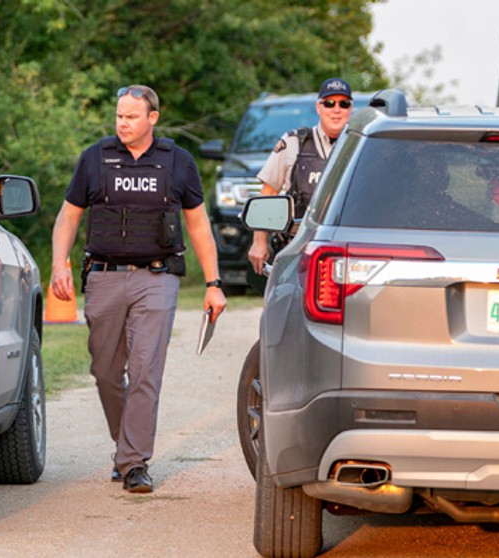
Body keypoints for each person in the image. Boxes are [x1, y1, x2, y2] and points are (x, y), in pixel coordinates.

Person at [50, 84, 227, 494]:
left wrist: (213, 283)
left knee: (146, 371)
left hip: (157, 278)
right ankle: (125, 447)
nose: (122, 123)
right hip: (105, 277)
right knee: (106, 372)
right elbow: (69, 215)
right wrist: (58, 263)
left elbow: (198, 225)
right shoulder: (94, 159)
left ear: (152, 118)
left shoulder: (178, 163)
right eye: (119, 115)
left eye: (131, 116)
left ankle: (134, 464)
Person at [247, 77, 353, 275]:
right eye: (329, 103)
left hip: (346, 251)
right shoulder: (294, 142)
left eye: (343, 103)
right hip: (295, 250)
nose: (336, 109)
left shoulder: (359, 146)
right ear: (318, 107)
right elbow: (269, 192)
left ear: (351, 108)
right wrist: (259, 242)